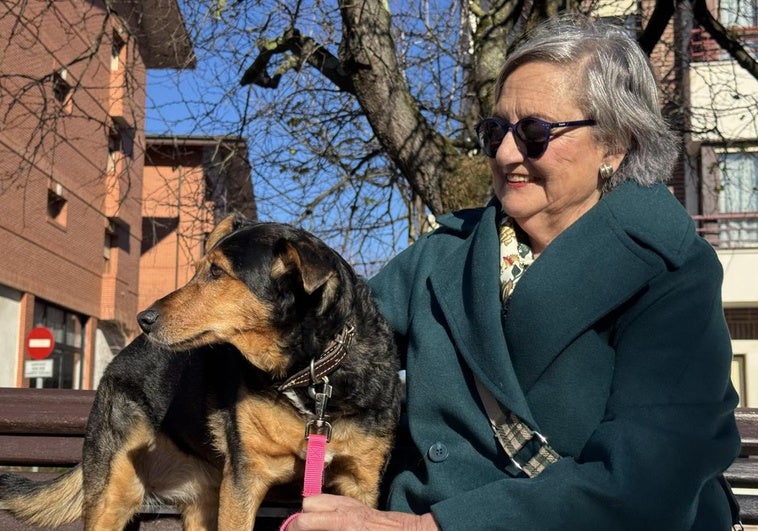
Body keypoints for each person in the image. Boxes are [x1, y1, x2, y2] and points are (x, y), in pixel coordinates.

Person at [286, 13, 741, 530]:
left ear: (615, 144)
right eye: (496, 130)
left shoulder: (670, 268)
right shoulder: (445, 254)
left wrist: (422, 528)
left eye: (534, 132)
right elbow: (318, 345)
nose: (505, 153)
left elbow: (643, 484)